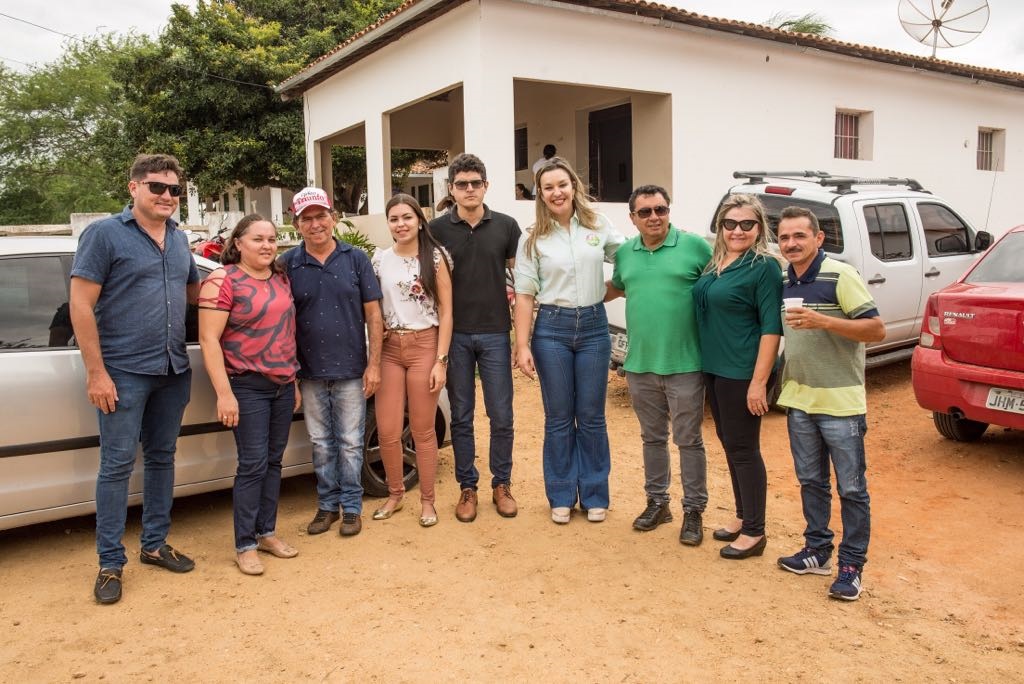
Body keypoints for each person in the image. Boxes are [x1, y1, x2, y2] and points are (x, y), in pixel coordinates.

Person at [70, 153, 199, 605]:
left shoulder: (180, 240)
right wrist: (97, 372)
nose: (166, 196)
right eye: (156, 187)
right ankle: (110, 563)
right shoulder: (105, 235)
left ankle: (154, 544)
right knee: (117, 466)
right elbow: (81, 304)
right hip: (123, 372)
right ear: (134, 188)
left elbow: (193, 293)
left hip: (172, 368)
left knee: (163, 457)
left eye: (173, 189)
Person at [774, 206, 885, 601]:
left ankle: (852, 566)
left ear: (818, 239)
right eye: (785, 237)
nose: (791, 243)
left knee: (852, 488)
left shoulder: (841, 275)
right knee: (811, 482)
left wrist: (826, 321)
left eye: (799, 236)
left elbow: (876, 329)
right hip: (800, 398)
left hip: (841, 402)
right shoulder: (786, 279)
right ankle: (817, 550)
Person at [514, 157, 625, 524]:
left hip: (594, 327)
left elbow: (626, 261)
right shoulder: (533, 238)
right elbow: (526, 295)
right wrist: (523, 344)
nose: (557, 192)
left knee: (592, 417)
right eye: (548, 188)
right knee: (559, 417)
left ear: (573, 186)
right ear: (541, 195)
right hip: (552, 330)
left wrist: (605, 293)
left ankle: (594, 495)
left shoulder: (598, 225)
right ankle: (561, 494)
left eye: (562, 184)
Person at [606, 185, 712, 544]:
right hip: (640, 364)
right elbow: (615, 287)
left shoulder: (695, 246)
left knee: (688, 440)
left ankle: (694, 510)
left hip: (686, 363)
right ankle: (657, 502)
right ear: (632, 218)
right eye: (646, 212)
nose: (654, 217)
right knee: (652, 438)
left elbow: (721, 284)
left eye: (661, 209)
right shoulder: (625, 254)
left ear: (669, 210)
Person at [197, 215, 302, 576]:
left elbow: (287, 332)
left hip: (283, 385)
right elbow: (209, 340)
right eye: (258, 239)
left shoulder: (280, 278)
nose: (267, 245)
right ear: (238, 242)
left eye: (272, 239)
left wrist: (294, 382)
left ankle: (266, 532)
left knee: (275, 462)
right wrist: (224, 394)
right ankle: (245, 544)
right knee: (253, 464)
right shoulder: (223, 279)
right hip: (246, 386)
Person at [279, 187, 383, 538]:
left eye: (320, 216)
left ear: (333, 218)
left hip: (352, 368)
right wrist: (290, 373)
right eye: (306, 219)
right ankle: (327, 506)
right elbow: (282, 321)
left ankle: (352, 508)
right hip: (308, 372)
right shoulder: (288, 264)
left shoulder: (356, 259)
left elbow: (374, 314)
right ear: (296, 224)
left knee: (351, 442)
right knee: (321, 442)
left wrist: (375, 364)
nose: (315, 224)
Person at [430, 153, 522, 522]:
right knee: (463, 416)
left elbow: (522, 281)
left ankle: (503, 484)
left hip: (497, 333)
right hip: (455, 337)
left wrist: (522, 338)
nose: (469, 190)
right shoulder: (435, 229)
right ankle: (468, 487)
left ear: (486, 186)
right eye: (462, 184)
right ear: (451, 189)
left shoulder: (507, 226)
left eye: (476, 183)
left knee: (502, 415)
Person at [693, 193, 782, 559]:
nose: (738, 230)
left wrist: (759, 382)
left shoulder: (763, 267)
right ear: (720, 226)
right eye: (730, 223)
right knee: (730, 444)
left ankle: (755, 533)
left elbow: (771, 327)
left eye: (747, 224)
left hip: (742, 371)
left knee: (744, 449)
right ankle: (743, 517)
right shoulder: (716, 261)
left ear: (759, 227)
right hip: (715, 369)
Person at [372, 194, 453, 527]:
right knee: (388, 430)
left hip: (425, 345)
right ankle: (395, 494)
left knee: (422, 430)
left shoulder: (434, 258)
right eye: (394, 219)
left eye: (406, 217)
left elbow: (447, 312)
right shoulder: (379, 260)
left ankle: (428, 501)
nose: (400, 224)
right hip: (391, 347)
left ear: (420, 220)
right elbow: (373, 312)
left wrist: (441, 361)